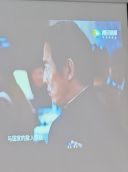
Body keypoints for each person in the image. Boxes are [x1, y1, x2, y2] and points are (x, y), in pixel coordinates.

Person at [41, 20, 106, 150]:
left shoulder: (60, 129)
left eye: (47, 68)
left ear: (69, 69)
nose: (44, 79)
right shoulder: (110, 119)